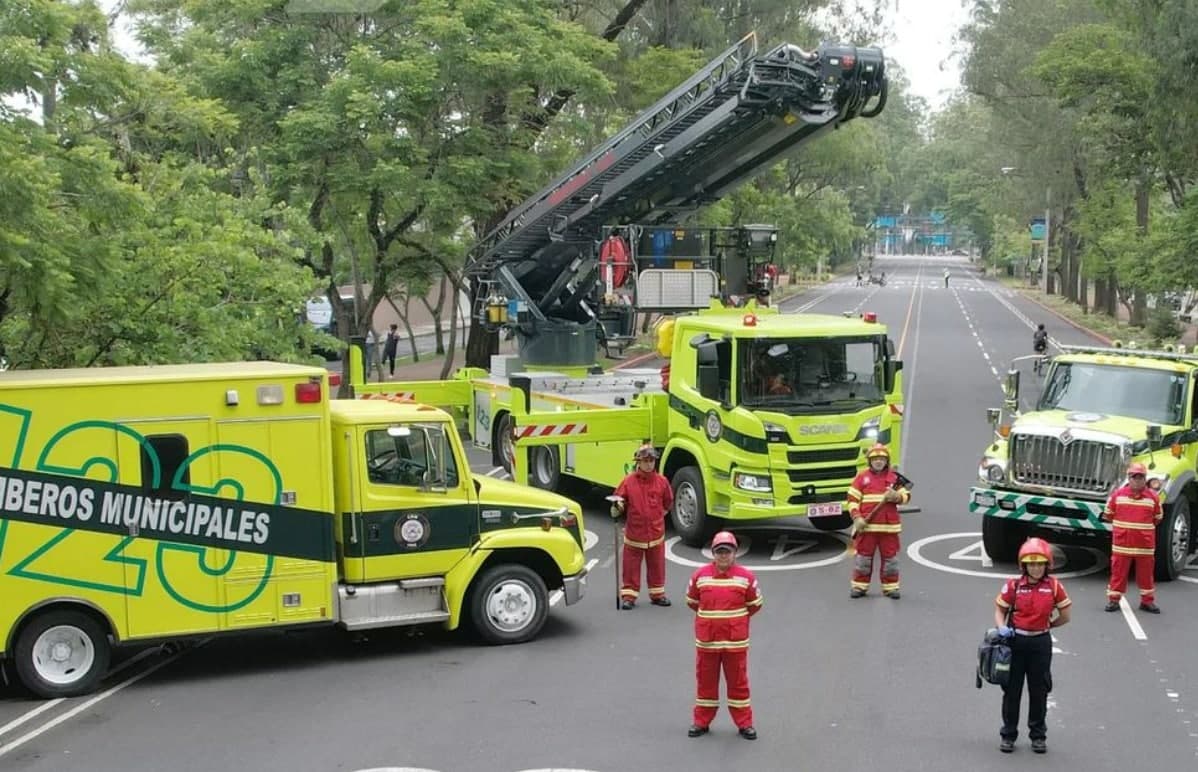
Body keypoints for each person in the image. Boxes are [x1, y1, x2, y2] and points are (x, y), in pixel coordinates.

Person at [994, 537, 1072, 754]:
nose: (1036, 568)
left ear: (1047, 565)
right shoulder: (1014, 586)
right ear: (1024, 565)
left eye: (1040, 564)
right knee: (1011, 690)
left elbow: (1066, 615)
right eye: (1031, 564)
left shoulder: (1054, 586)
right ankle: (1008, 734)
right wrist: (1001, 627)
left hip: (1040, 643)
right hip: (1016, 642)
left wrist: (1048, 627)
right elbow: (1000, 609)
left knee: (1039, 691)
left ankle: (1038, 736)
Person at [686, 531, 763, 740]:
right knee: (705, 684)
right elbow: (692, 601)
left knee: (738, 683)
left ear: (734, 553)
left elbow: (754, 605)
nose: (723, 556)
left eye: (727, 552)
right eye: (719, 552)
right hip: (707, 643)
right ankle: (701, 721)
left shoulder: (746, 578)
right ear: (713, 553)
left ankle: (744, 723)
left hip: (734, 644)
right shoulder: (699, 577)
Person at [611, 445, 673, 609]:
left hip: (656, 534)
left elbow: (668, 502)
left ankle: (658, 594)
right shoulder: (628, 481)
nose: (649, 464)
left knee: (657, 566)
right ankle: (629, 596)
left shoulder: (662, 481)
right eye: (645, 461)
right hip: (634, 534)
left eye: (651, 460)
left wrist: (658, 517)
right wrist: (617, 507)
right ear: (638, 462)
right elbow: (619, 499)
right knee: (630, 567)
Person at [847, 443, 910, 599]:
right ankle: (859, 586)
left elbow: (906, 496)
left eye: (882, 459)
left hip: (889, 529)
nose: (879, 462)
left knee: (890, 561)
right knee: (863, 559)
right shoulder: (861, 478)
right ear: (870, 461)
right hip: (867, 528)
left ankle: (891, 588)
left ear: (886, 461)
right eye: (875, 459)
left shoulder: (894, 479)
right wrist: (857, 517)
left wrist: (897, 496)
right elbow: (852, 499)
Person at [1102, 462, 1163, 614]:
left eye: (1140, 477)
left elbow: (1158, 517)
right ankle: (1114, 600)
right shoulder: (1117, 495)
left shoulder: (1153, 498)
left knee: (1146, 575)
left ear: (1145, 479)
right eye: (1134, 477)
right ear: (1129, 478)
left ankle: (1147, 602)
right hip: (1122, 544)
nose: (1137, 480)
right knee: (1118, 573)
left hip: (1145, 546)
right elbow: (1108, 514)